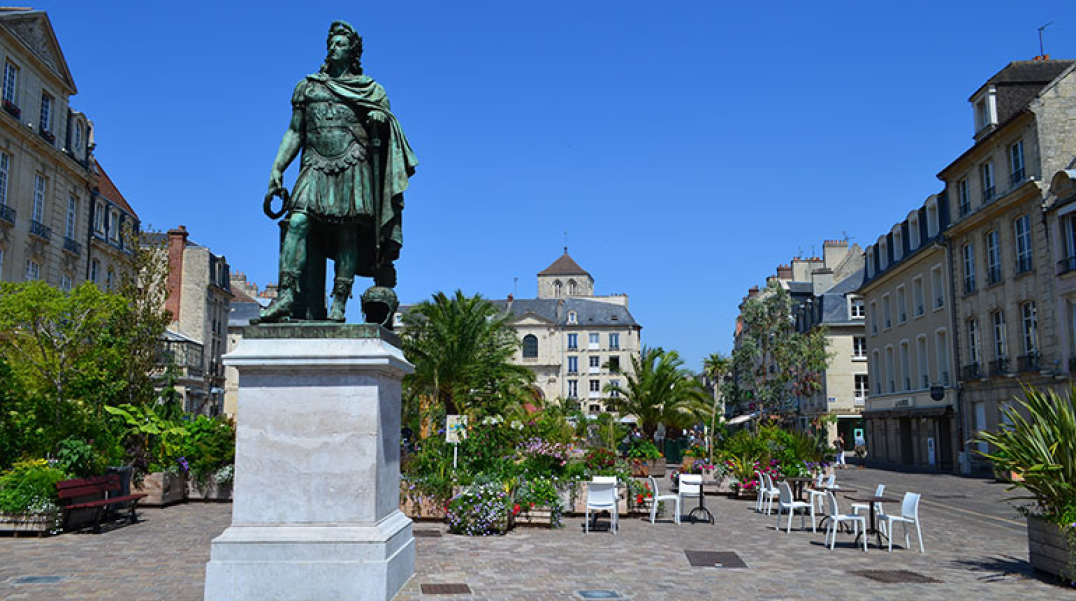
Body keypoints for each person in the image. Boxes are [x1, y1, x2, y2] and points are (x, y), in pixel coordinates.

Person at [260, 21, 418, 324]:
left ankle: (340, 301)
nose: (333, 47)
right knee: (297, 222)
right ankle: (286, 296)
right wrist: (277, 167)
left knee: (347, 232)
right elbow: (295, 131)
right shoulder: (308, 87)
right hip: (314, 162)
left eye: (340, 43)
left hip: (352, 161)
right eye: (331, 43)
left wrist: (380, 119)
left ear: (352, 51)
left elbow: (390, 133)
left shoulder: (372, 90)